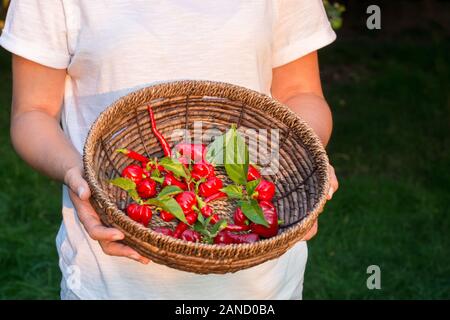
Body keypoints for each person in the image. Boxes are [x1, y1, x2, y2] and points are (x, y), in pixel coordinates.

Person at [0, 0, 339, 299]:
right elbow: (33, 112)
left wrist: (307, 155)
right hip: (113, 283)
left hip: (262, 283)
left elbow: (299, 91)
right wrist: (77, 173)